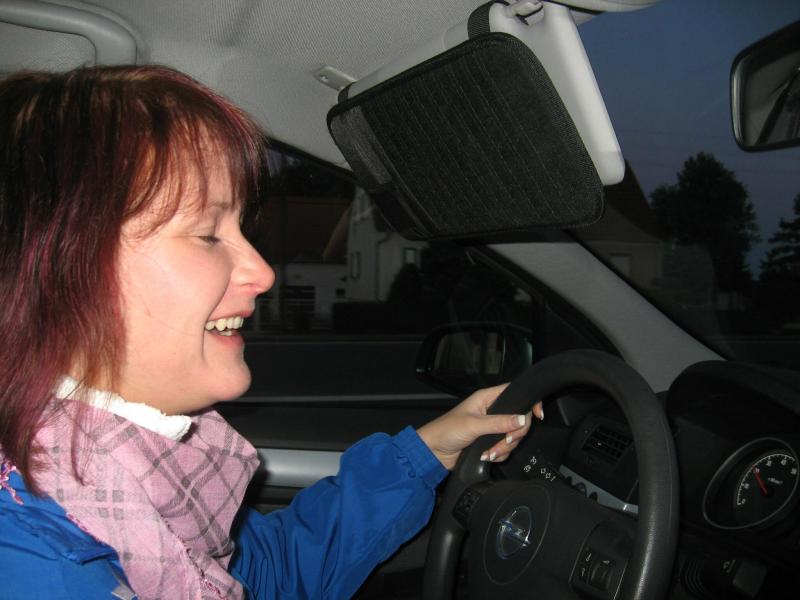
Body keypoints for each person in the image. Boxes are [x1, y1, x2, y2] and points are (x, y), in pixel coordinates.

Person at [0, 65, 542, 599]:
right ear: (59, 269)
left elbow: (255, 576)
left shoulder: (108, 480)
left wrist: (428, 454)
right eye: (207, 234)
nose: (261, 273)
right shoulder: (44, 568)